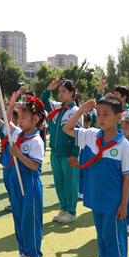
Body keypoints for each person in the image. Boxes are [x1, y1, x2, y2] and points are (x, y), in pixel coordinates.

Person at [63, 95, 129, 257]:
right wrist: (80, 112)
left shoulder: (123, 145)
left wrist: (124, 205)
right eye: (98, 114)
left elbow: (128, 177)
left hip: (113, 203)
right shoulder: (91, 135)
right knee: (102, 239)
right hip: (96, 200)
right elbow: (67, 129)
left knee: (115, 240)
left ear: (119, 116)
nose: (101, 118)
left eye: (106, 114)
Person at [1, 94, 46, 257]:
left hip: (29, 183)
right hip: (15, 182)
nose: (19, 120)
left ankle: (34, 255)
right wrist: (11, 106)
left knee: (30, 220)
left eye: (24, 117)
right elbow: (3, 120)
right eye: (18, 117)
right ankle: (24, 253)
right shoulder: (17, 134)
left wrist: (18, 154)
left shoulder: (36, 141)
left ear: (35, 119)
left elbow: (35, 166)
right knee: (19, 219)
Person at [42, 78, 81, 222]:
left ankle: (71, 212)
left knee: (70, 183)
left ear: (72, 93)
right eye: (59, 92)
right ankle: (63, 209)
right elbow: (43, 103)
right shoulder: (56, 107)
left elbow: (79, 134)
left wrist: (75, 154)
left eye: (64, 92)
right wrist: (48, 89)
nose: (61, 95)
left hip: (69, 154)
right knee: (59, 183)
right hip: (55, 153)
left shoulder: (77, 111)